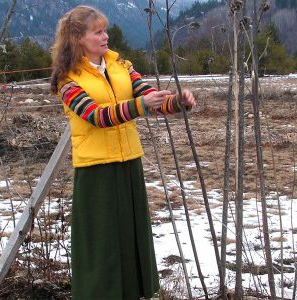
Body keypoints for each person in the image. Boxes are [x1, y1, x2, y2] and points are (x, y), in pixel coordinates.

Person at [50, 5, 196, 300]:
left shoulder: (122, 67)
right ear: (79, 38)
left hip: (129, 162)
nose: (106, 37)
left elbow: (148, 97)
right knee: (102, 246)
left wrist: (178, 102)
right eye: (98, 32)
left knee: (130, 240)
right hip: (96, 170)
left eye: (105, 30)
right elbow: (96, 116)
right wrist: (141, 106)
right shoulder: (68, 80)